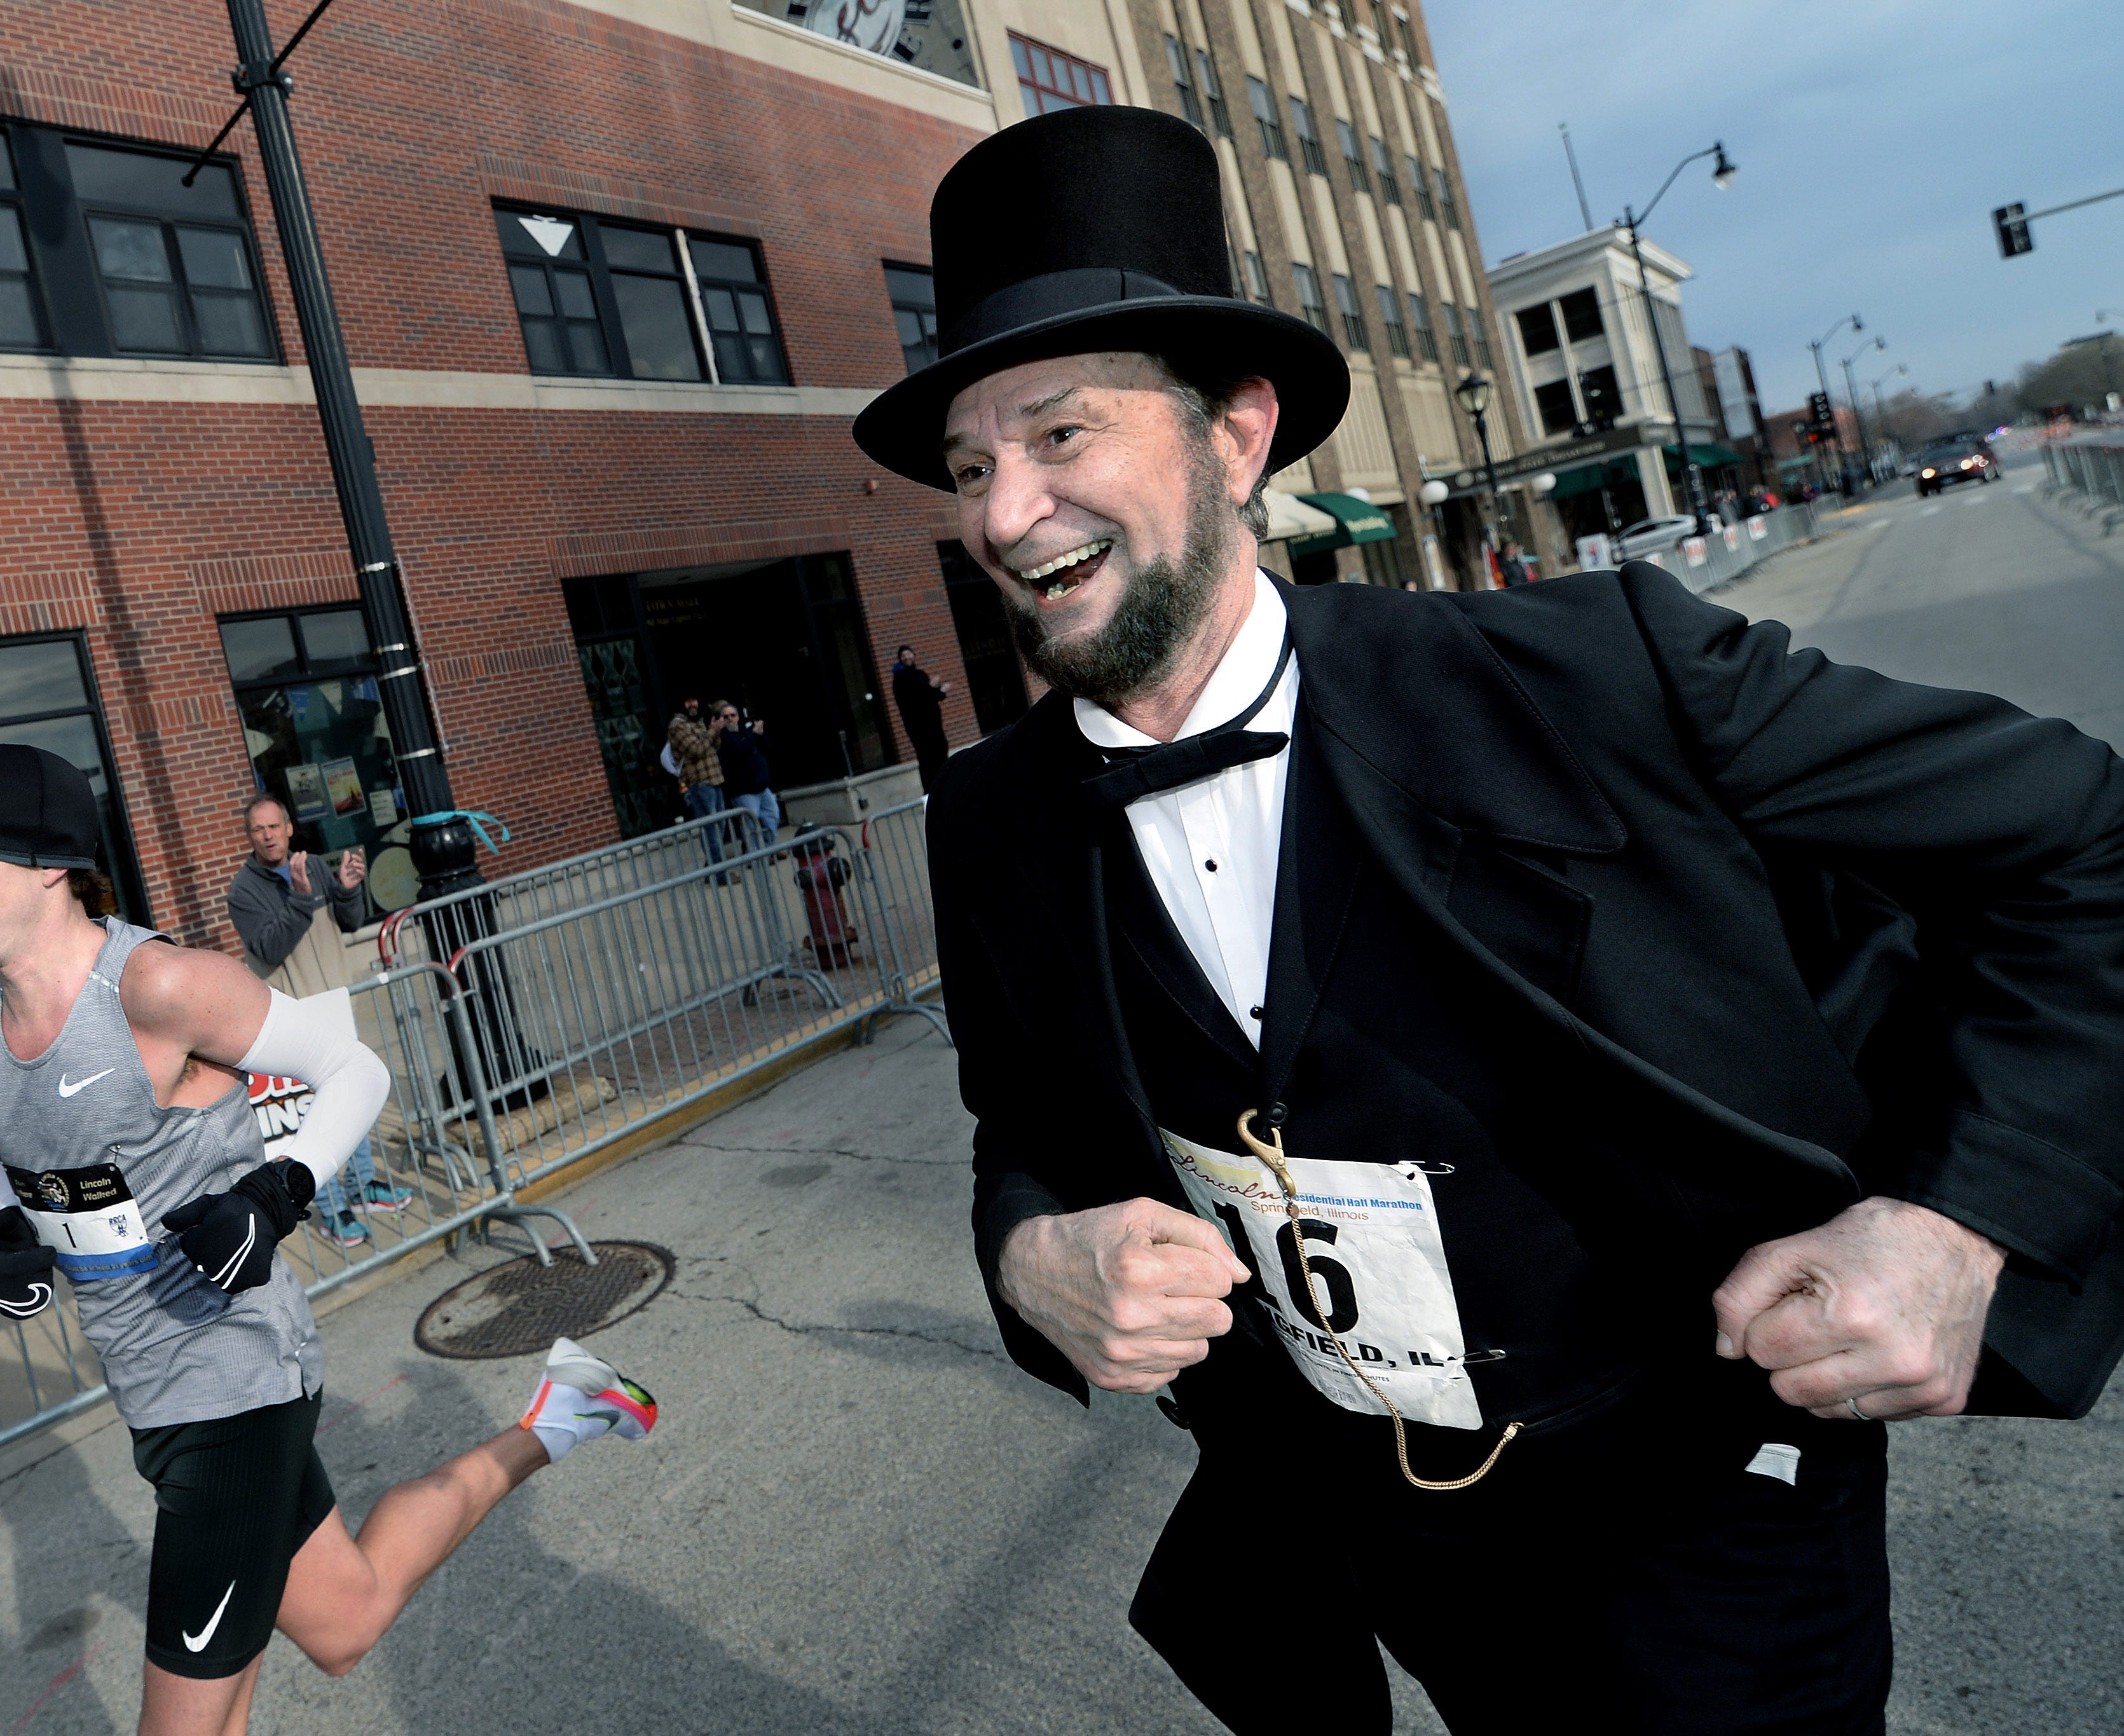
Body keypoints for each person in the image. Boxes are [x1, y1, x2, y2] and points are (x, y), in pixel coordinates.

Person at [851, 106, 2124, 1734]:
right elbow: (1024, 1125)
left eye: (1060, 435)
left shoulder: (1592, 676)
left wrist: (1961, 1223)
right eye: (972, 467)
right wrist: (1032, 1253)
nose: (1003, 512)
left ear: (1234, 436)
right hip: (1385, 1547)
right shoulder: (988, 819)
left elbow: (2084, 842)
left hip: (1709, 1505)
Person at [0, 744, 658, 1736]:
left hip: (237, 1375)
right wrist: (19, 1231)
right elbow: (52, 1160)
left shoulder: (158, 986)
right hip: (144, 1380)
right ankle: (570, 1406)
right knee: (349, 1619)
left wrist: (276, 1190)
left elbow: (354, 1068)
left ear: (48, 861)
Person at [226, 795, 405, 1246]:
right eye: (258, 829)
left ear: (289, 828)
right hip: (294, 1021)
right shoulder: (243, 891)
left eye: (274, 826)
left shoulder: (316, 867)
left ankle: (362, 1186)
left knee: (349, 1099)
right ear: (249, 837)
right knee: (308, 1118)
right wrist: (302, 900)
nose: (268, 835)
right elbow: (268, 948)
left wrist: (348, 889)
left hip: (336, 1007)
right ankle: (329, 1207)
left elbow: (351, 921)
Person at [666, 697, 727, 863]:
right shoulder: (677, 726)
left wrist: (716, 731)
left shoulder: (698, 722)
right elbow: (696, 750)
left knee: (720, 826)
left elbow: (714, 748)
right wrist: (712, 731)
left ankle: (713, 866)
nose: (692, 705)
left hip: (715, 778)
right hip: (700, 783)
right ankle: (719, 871)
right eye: (688, 701)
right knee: (711, 830)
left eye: (694, 701)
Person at [713, 700, 778, 847]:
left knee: (773, 817)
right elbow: (740, 749)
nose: (730, 719)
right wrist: (754, 735)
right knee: (751, 827)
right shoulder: (722, 738)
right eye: (726, 716)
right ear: (721, 720)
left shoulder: (746, 732)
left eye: (733, 715)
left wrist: (760, 735)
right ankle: (755, 855)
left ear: (738, 716)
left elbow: (767, 747)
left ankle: (770, 849)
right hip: (743, 791)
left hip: (762, 787)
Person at [889, 646, 953, 786]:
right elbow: (918, 696)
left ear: (913, 655)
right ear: (900, 659)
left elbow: (930, 695)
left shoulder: (920, 674)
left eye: (908, 654)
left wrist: (940, 691)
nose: (907, 657)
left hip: (933, 723)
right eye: (903, 655)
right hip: (918, 726)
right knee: (927, 756)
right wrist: (932, 688)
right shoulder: (900, 678)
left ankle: (945, 783)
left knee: (941, 749)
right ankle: (931, 788)